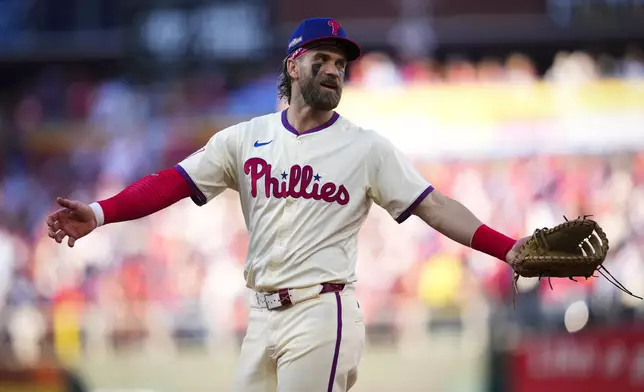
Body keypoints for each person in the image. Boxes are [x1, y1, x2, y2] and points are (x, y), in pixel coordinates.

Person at [46, 17, 529, 392]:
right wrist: (102, 212)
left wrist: (507, 248)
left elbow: (435, 206)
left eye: (342, 64)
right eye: (324, 58)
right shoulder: (244, 138)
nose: (336, 70)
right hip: (261, 316)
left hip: (323, 310)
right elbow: (171, 182)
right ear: (294, 65)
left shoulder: (366, 148)